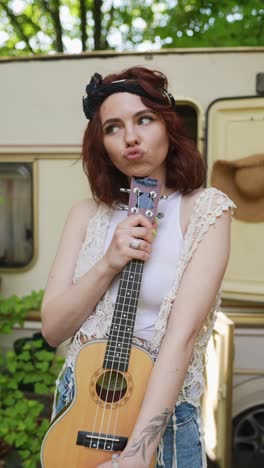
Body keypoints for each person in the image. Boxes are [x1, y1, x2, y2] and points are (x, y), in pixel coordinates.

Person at [41, 66, 236, 468]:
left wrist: (137, 453)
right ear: (103, 145)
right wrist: (108, 262)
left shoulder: (205, 210)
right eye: (113, 127)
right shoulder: (85, 215)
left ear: (167, 127)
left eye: (143, 119)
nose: (130, 137)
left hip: (162, 424)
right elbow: (54, 329)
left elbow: (180, 339)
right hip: (82, 409)